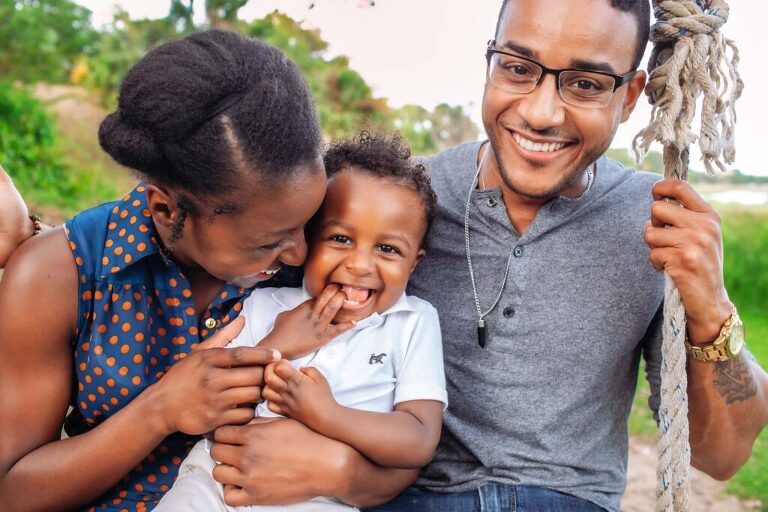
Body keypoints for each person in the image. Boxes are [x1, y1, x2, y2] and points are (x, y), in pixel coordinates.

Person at [3, 2, 768, 511]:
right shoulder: (399, 204)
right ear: (491, 62)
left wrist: (712, 306)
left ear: (631, 96)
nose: (540, 108)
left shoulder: (658, 222)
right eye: (519, 67)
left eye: (585, 83)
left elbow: (720, 460)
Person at [0, 31, 420, 512]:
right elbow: (14, 493)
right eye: (269, 242)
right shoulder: (61, 274)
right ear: (166, 210)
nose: (301, 256)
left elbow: (401, 442)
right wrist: (160, 410)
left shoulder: (329, 268)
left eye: (310, 225)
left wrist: (340, 472)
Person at [154, 134, 447, 512]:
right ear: (308, 240)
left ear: (415, 262)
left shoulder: (412, 322)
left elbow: (419, 438)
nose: (360, 265)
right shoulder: (264, 305)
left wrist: (328, 415)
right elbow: (205, 413)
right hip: (218, 482)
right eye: (340, 238)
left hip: (319, 500)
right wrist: (275, 346)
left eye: (387, 249)